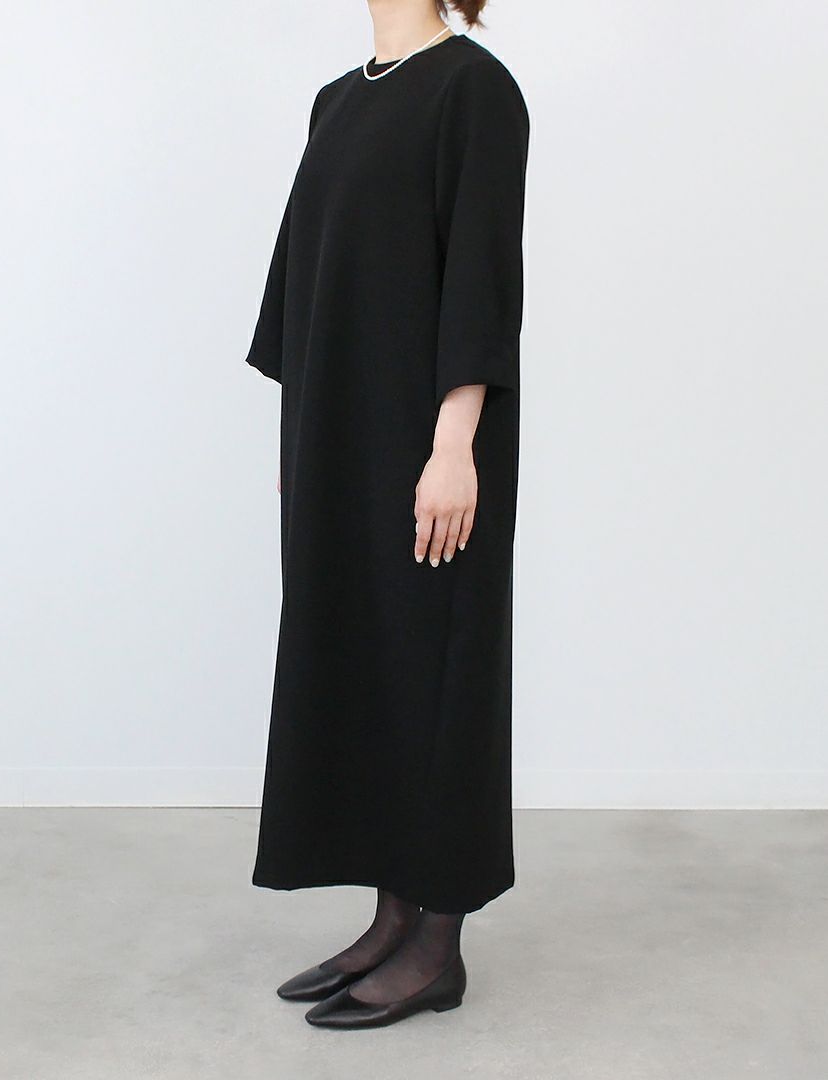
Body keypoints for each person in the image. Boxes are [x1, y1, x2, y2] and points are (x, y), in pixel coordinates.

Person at [244, 0, 529, 1030]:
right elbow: (307, 280)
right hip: (339, 437)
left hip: (428, 441)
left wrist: (454, 447)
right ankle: (390, 915)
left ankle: (438, 943)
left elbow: (482, 276)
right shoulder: (337, 101)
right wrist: (301, 444)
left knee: (437, 673)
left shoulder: (474, 89)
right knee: (363, 664)